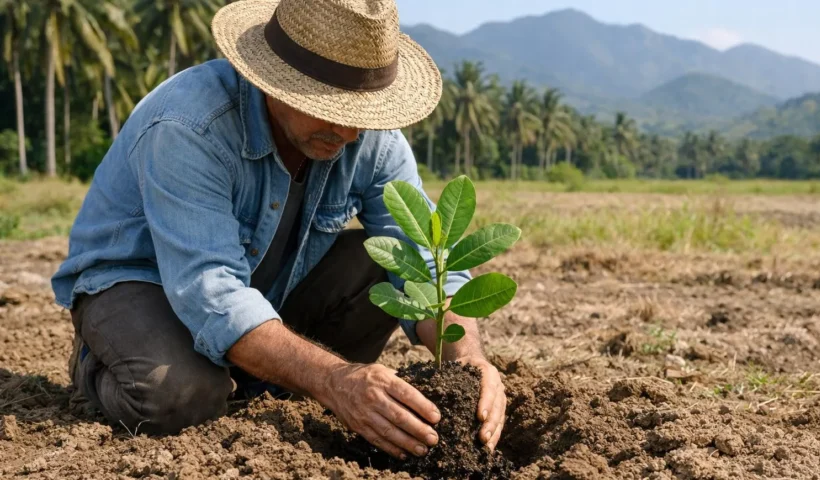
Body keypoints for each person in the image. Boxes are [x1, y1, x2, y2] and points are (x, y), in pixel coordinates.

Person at [51, 0, 506, 461]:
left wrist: (468, 362)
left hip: (261, 288)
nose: (346, 131)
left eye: (360, 113)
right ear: (273, 79)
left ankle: (264, 379)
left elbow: (425, 260)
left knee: (383, 259)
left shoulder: (373, 142)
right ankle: (100, 359)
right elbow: (213, 292)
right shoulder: (189, 125)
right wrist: (334, 378)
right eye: (327, 107)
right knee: (181, 395)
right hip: (138, 283)